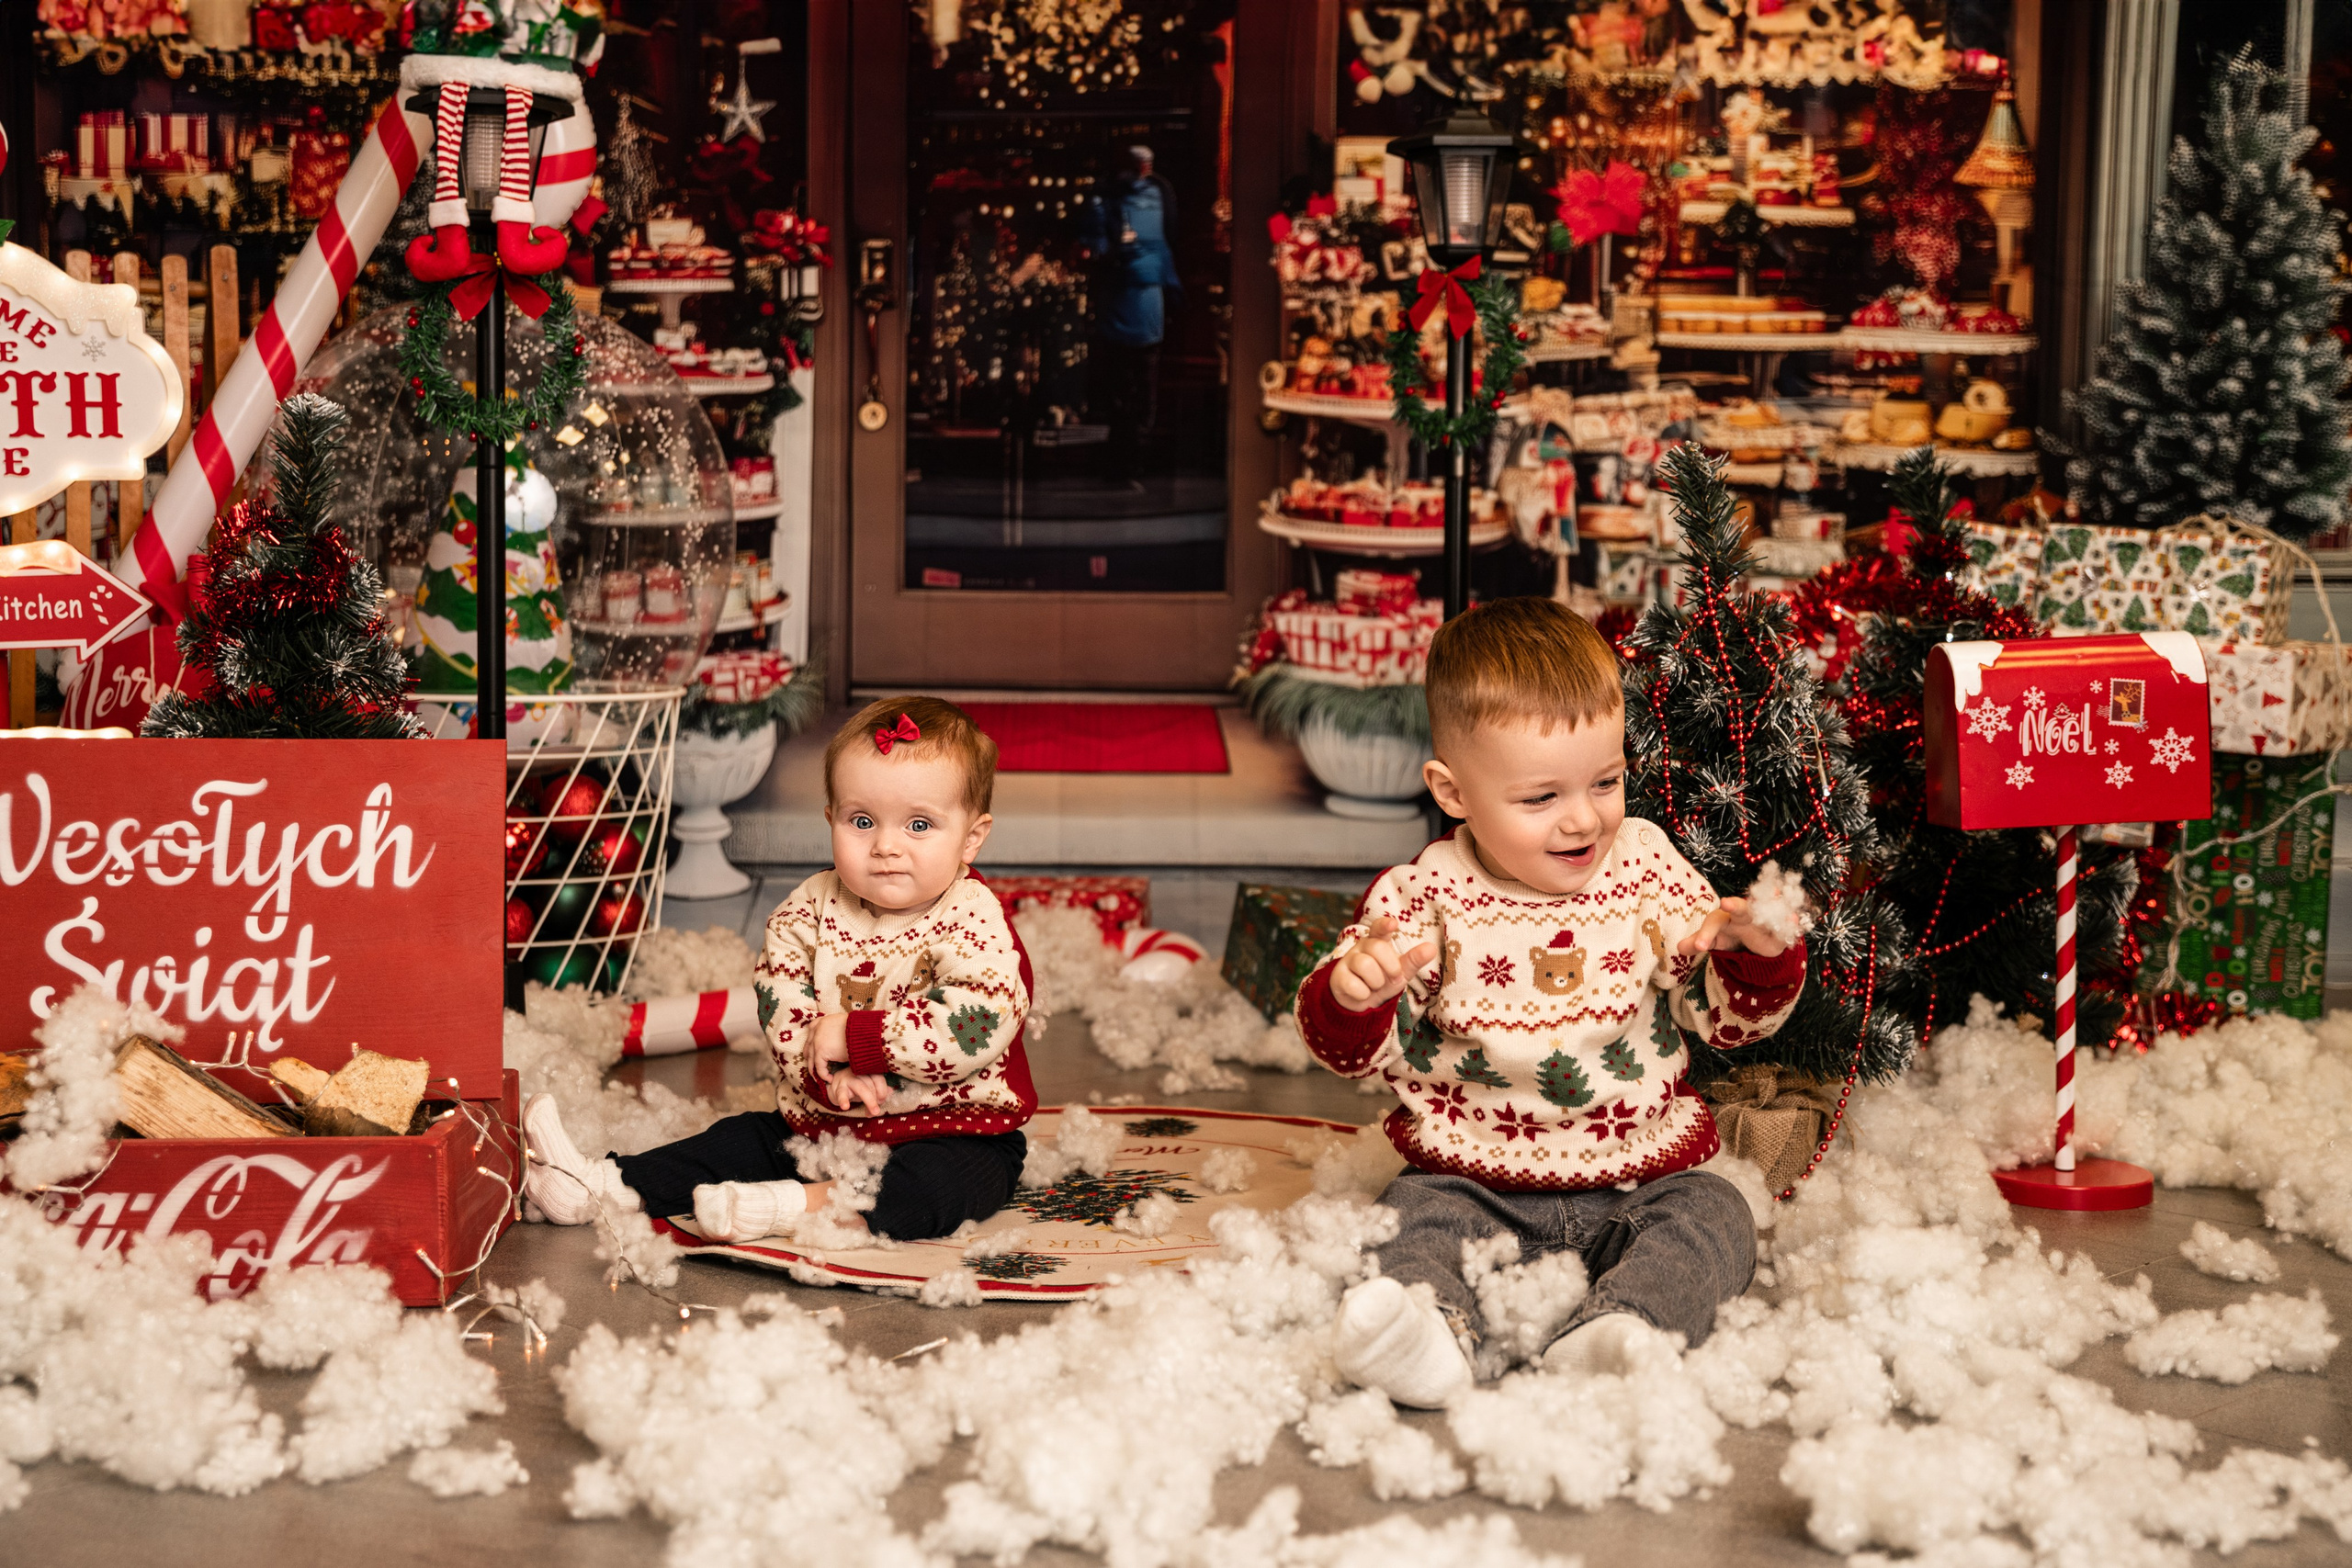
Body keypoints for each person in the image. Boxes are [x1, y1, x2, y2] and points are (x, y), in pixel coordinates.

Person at [1295, 597, 1806, 1407]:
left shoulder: (1644, 867)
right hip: (1470, 1181)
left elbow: (1727, 1020)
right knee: (1408, 1223)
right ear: (1453, 791)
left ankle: (1624, 1325)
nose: (1583, 818)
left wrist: (1750, 960)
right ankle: (1430, 1339)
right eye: (1540, 799)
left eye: (1605, 781)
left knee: (1717, 1216)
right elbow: (1356, 1050)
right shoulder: (1426, 894)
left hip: (1639, 1180)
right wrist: (1356, 992)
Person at [521, 695, 1035, 1243]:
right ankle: (599, 1184)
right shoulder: (808, 909)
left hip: (957, 1130)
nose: (886, 846)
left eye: (919, 825)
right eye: (862, 821)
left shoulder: (973, 917)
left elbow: (978, 1018)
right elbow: (779, 998)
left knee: (940, 1185)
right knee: (737, 1141)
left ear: (971, 838)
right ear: (830, 819)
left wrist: (858, 1038)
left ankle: (793, 1206)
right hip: (825, 1124)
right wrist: (826, 1071)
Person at [1082, 144, 1180, 485]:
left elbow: (1096, 246)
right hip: (1142, 299)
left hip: (1128, 298)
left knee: (1122, 386)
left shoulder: (1107, 197)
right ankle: (1132, 459)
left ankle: (1124, 460)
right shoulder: (1158, 194)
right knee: (1138, 386)